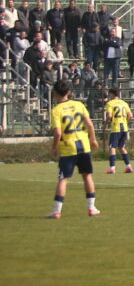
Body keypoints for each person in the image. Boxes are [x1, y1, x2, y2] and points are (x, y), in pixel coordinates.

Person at [47, 80, 101, 218]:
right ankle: (91, 208)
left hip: (68, 148)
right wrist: (93, 139)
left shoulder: (56, 110)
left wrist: (54, 147)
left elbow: (58, 133)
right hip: (84, 145)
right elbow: (90, 124)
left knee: (63, 179)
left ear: (54, 93)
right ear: (69, 92)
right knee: (87, 176)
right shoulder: (79, 105)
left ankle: (57, 211)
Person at [103, 87, 134, 174]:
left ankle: (112, 168)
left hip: (116, 128)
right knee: (121, 147)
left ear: (111, 94)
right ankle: (129, 167)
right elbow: (130, 116)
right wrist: (125, 121)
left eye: (109, 93)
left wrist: (105, 125)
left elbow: (109, 116)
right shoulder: (124, 103)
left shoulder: (110, 103)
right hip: (124, 127)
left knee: (112, 147)